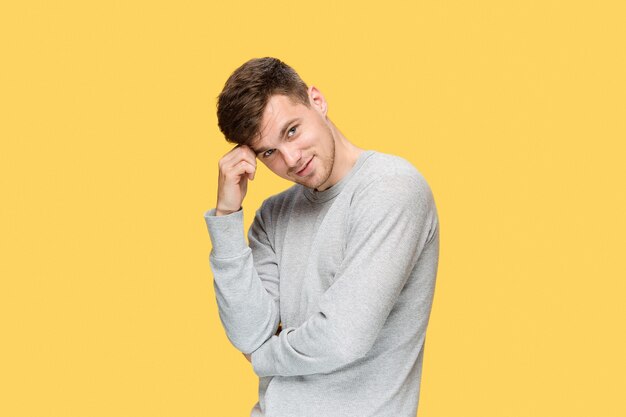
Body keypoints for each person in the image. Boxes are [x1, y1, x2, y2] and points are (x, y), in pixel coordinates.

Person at [204, 57, 440, 417]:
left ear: (317, 100)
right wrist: (226, 218)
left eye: (292, 131)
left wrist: (265, 355)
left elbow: (342, 337)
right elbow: (249, 334)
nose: (291, 158)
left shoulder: (391, 188)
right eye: (269, 152)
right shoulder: (272, 215)